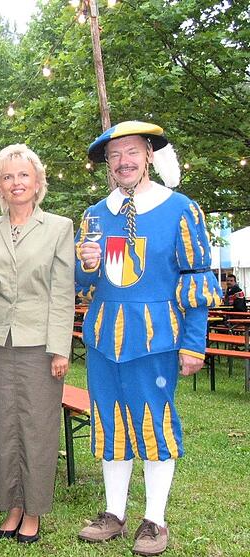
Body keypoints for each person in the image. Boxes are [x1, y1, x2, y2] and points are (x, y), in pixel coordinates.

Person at [76, 121, 221, 556]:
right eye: (115, 154)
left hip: (156, 338)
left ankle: (154, 520)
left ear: (149, 156)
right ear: (107, 163)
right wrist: (86, 264)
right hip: (105, 339)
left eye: (132, 152)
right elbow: (84, 285)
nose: (124, 161)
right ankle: (113, 513)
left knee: (154, 424)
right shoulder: (95, 215)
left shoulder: (180, 209)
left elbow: (195, 279)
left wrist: (194, 342)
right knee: (111, 422)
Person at [0, 144, 74, 545]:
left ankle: (33, 510)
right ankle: (11, 505)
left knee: (37, 427)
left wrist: (61, 347)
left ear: (37, 181)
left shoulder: (59, 227)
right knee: (1, 426)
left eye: (23, 175)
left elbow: (63, 292)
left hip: (39, 343)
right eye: (7, 176)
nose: (16, 183)